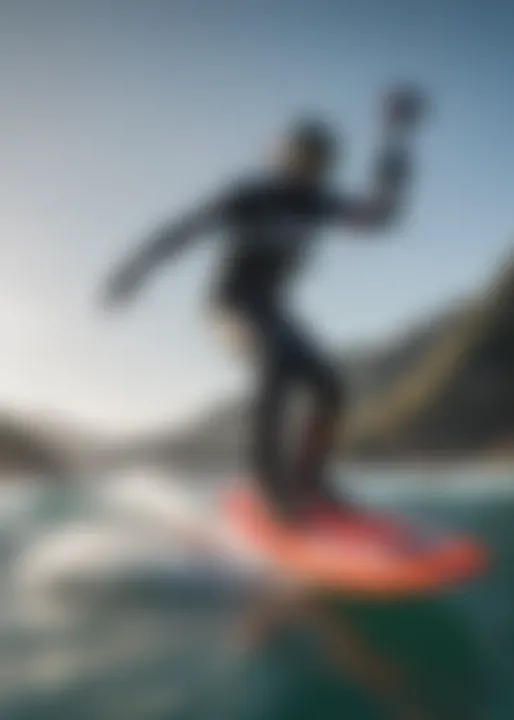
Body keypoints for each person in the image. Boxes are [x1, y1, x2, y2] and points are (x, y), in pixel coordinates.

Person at [101, 86, 425, 521]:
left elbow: (381, 215)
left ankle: (310, 482)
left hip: (272, 310)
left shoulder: (319, 204)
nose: (309, 168)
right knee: (276, 360)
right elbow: (181, 232)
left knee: (329, 383)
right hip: (228, 307)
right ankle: (270, 487)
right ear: (283, 157)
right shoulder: (248, 197)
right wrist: (132, 273)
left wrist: (396, 137)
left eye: (319, 162)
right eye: (301, 157)